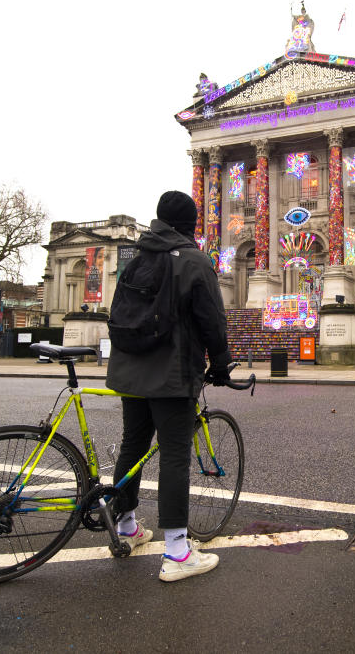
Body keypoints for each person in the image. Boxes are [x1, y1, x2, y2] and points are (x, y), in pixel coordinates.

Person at [106, 190, 232, 582]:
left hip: (130, 369)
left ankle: (126, 525)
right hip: (172, 373)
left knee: (134, 444)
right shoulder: (194, 260)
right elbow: (212, 320)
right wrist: (222, 363)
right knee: (175, 454)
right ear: (191, 224)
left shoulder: (136, 260)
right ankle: (177, 551)